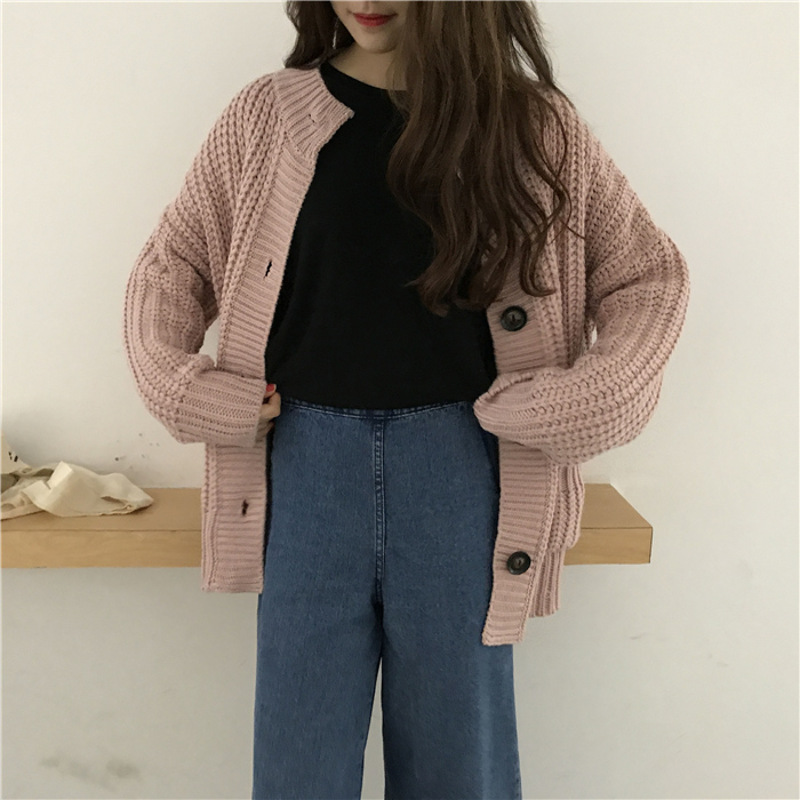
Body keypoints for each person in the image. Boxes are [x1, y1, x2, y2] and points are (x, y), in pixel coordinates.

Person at [121, 1, 691, 797]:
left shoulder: (531, 125)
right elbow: (170, 269)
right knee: (299, 759)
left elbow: (646, 277)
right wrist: (187, 389)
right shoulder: (266, 117)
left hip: (463, 473)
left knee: (461, 758)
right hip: (305, 471)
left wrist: (592, 397)